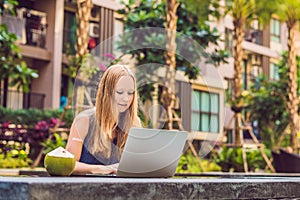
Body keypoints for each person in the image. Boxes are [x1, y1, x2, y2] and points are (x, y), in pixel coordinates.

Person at [66, 64, 142, 175]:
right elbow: (69, 164)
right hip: (86, 188)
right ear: (107, 92)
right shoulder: (84, 121)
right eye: (120, 92)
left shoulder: (134, 123)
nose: (126, 99)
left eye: (130, 93)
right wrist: (102, 169)